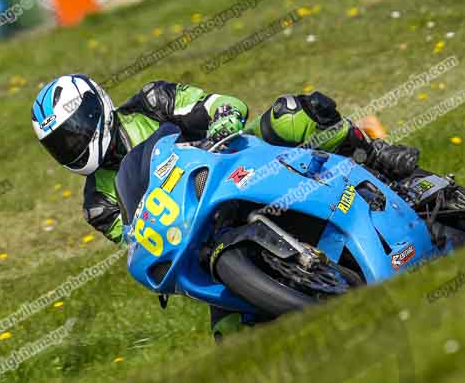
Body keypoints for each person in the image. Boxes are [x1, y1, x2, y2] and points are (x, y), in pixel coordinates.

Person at [31, 74, 419, 338]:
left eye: (75, 130)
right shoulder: (97, 205)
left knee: (290, 115)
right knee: (229, 336)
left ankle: (376, 154)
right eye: (61, 143)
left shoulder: (152, 102)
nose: (73, 144)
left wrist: (222, 122)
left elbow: (222, 104)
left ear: (97, 107)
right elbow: (138, 239)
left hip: (238, 166)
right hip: (202, 240)